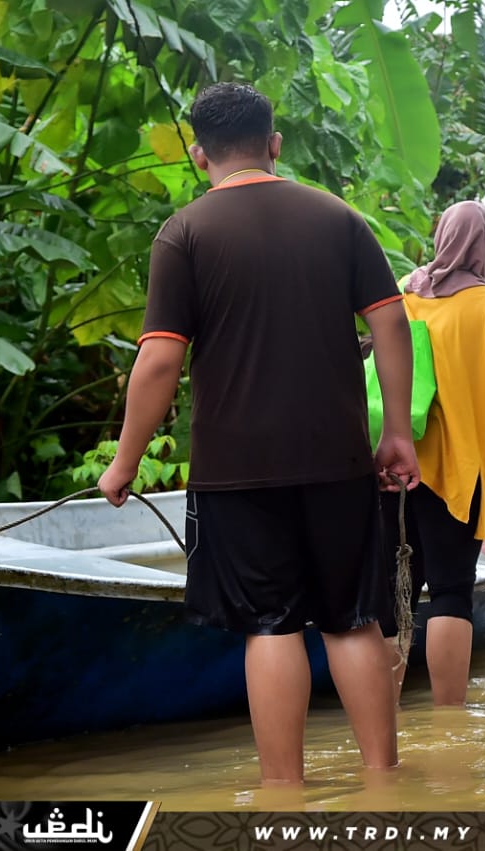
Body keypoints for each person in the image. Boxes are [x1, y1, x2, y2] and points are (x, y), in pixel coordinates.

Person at [97, 82, 418, 784]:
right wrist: (398, 431)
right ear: (274, 145)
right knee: (352, 619)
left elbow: (158, 361)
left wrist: (124, 462)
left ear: (197, 154)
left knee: (270, 625)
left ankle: (282, 795)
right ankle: (385, 784)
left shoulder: (183, 234)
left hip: (236, 470)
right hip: (337, 460)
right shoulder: (338, 218)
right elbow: (391, 321)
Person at [379, 200, 485, 706]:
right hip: (459, 472)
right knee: (450, 591)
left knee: (396, 592)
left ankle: (381, 713)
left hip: (393, 465)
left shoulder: (405, 293)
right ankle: (449, 720)